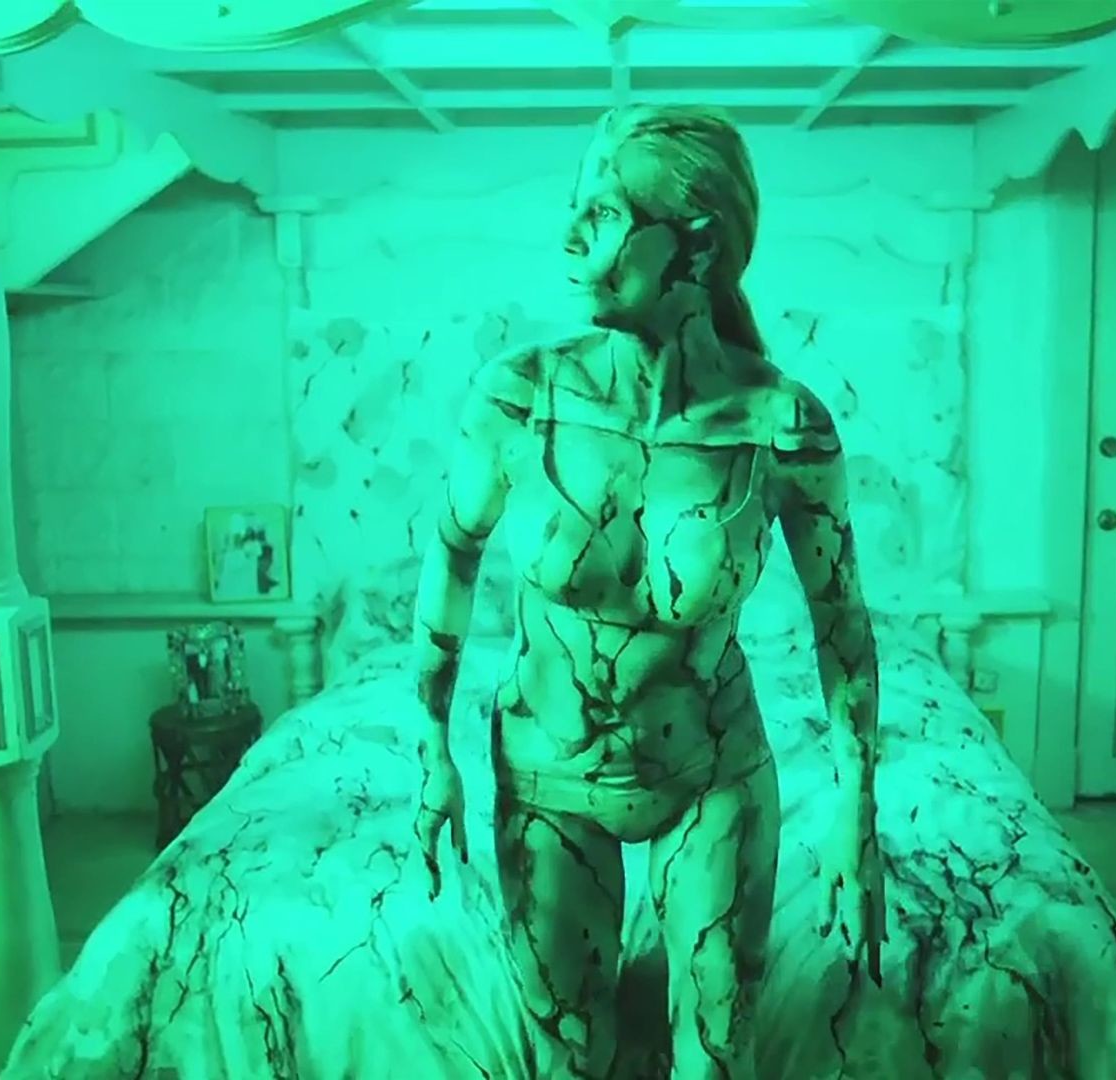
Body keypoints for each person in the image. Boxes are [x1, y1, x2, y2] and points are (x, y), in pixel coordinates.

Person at [410, 105, 884, 1079]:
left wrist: (857, 812)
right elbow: (451, 557)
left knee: (717, 1056)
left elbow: (840, 620)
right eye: (573, 207)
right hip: (546, 774)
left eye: (604, 213)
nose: (570, 236)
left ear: (696, 247)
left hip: (711, 767)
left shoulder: (779, 423)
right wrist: (432, 754)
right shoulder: (519, 397)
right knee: (568, 1058)